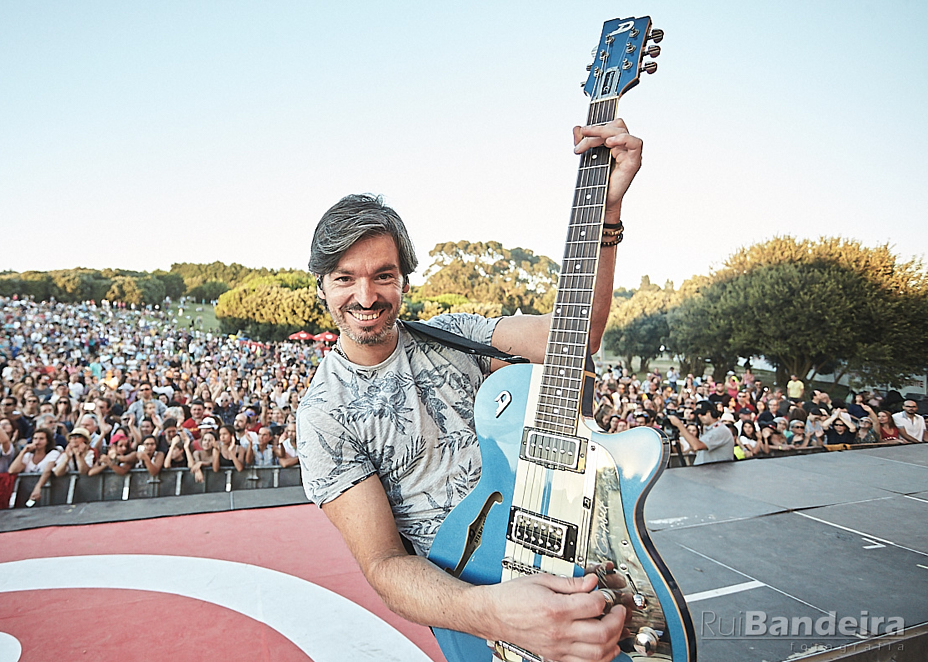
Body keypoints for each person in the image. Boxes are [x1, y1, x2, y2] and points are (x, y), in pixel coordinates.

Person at [297, 118, 642, 662]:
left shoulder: (455, 333)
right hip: (477, 610)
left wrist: (607, 210)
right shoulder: (323, 414)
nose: (365, 296)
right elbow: (384, 565)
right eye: (344, 278)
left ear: (404, 279)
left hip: (556, 556)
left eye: (383, 275)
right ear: (321, 286)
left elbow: (577, 335)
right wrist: (496, 613)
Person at [668, 401, 736, 465]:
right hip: (708, 470)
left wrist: (679, 425)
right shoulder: (709, 429)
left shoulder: (721, 430)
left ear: (712, 413)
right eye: (698, 414)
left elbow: (697, 446)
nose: (699, 416)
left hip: (717, 471)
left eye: (703, 413)